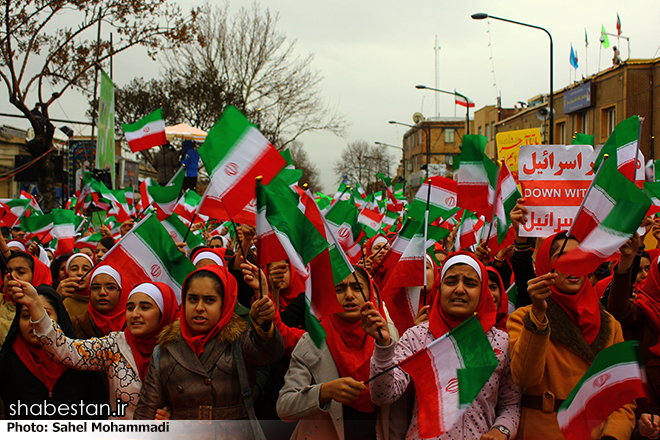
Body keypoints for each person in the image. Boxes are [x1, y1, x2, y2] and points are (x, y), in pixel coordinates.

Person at [367, 252, 521, 439]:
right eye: (451, 282)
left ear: (483, 292)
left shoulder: (501, 342)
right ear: (439, 288)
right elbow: (383, 396)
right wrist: (383, 348)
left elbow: (510, 404)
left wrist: (501, 431)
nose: (459, 289)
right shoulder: (417, 337)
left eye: (470, 283)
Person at [508, 232, 636, 439]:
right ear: (544, 265)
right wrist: (539, 315)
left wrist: (612, 436)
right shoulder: (523, 318)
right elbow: (524, 377)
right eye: (562, 257)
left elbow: (622, 398)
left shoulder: (611, 326)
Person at [134, 264, 284, 433]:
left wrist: (263, 324)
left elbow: (271, 353)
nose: (199, 308)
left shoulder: (239, 340)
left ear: (225, 303)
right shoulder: (164, 351)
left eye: (209, 300)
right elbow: (146, 410)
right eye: (192, 299)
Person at [11, 279, 178, 420]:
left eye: (145, 307)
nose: (134, 314)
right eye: (130, 307)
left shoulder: (180, 352)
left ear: (164, 312)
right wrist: (34, 305)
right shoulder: (115, 346)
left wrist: (177, 414)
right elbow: (66, 351)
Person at [277, 266, 407, 440]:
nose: (349, 295)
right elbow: (285, 407)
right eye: (339, 289)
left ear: (369, 294)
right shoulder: (311, 343)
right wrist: (324, 392)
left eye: (356, 287)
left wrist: (384, 346)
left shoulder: (388, 339)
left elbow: (397, 411)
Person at [0, 284, 107, 419]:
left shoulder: (82, 361)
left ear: (60, 319)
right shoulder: (6, 362)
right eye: (26, 316)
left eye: (43, 315)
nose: (34, 321)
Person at [1, 251, 52, 346]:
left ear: (37, 275)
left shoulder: (51, 307)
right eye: (7, 272)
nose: (11, 276)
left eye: (20, 272)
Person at [70, 266, 127, 339]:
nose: (102, 292)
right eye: (96, 288)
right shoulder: (74, 325)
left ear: (122, 292)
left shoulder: (135, 326)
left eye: (110, 287)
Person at [59, 253, 94, 319]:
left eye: (86, 269)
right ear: (67, 273)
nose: (80, 273)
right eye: (74, 269)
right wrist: (57, 298)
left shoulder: (101, 299)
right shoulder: (61, 300)